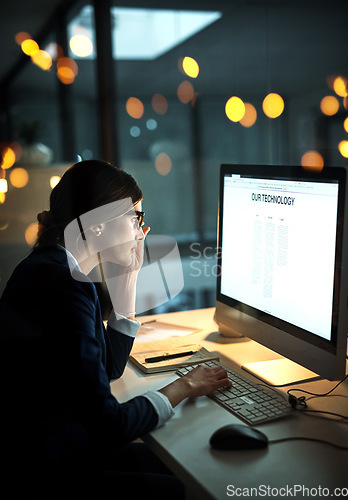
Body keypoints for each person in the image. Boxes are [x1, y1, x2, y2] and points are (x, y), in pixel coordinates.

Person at [0, 160, 231, 499]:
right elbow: (109, 426)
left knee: (187, 466)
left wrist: (130, 275)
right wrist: (184, 386)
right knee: (191, 484)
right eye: (136, 218)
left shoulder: (58, 267)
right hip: (47, 469)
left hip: (51, 447)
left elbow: (107, 368)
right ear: (96, 225)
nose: (141, 232)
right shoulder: (63, 284)